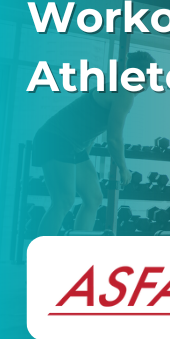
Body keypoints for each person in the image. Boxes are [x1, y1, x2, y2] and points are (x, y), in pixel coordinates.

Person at [32, 51, 156, 236]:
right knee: (63, 201)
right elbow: (113, 139)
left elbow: (90, 126)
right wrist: (123, 168)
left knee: (93, 198)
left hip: (73, 146)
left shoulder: (120, 89)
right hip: (55, 139)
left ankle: (78, 254)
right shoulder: (124, 92)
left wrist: (84, 157)